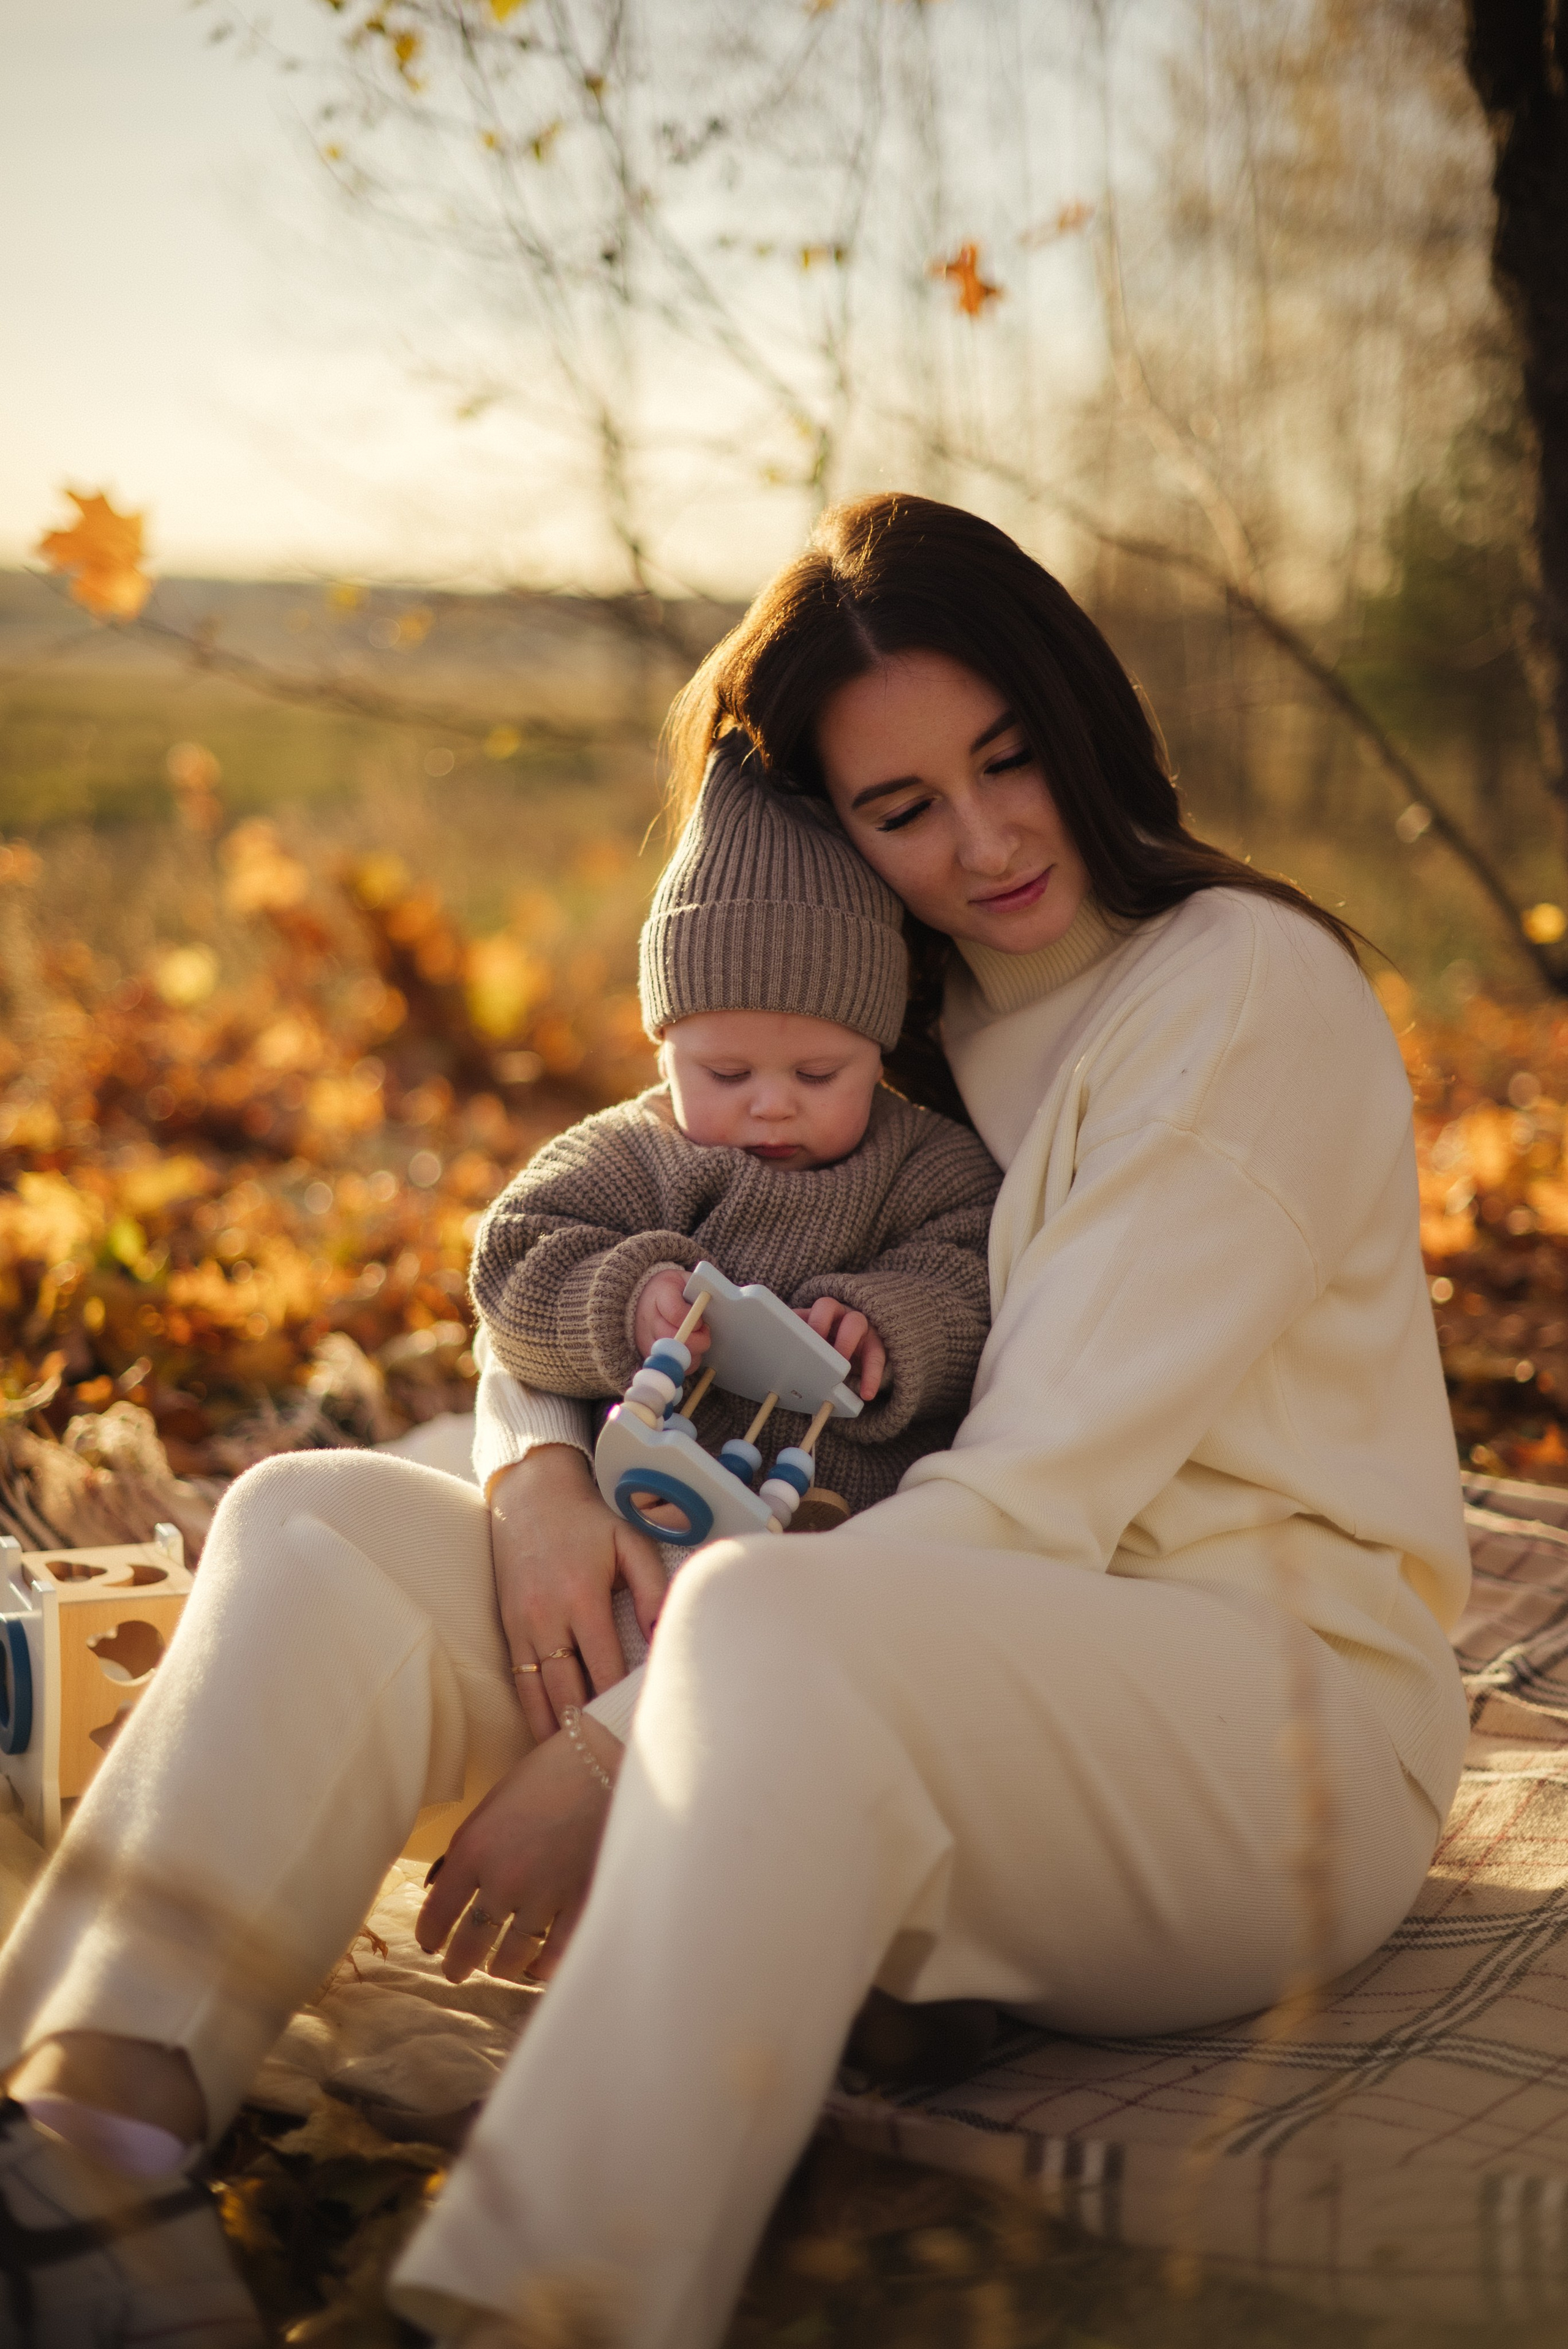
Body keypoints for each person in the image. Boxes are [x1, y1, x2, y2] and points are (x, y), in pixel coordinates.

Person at [0, 493, 1469, 2349]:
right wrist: (534, 1463)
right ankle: (88, 2151)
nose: (984, 837)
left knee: (767, 1623)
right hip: (838, 1648)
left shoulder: (1236, 996)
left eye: (1008, 759)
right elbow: (615, 1231)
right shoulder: (866, 997)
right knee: (308, 1518)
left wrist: (616, 1752)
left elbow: (1029, 1501)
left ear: (1082, 714)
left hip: (1261, 1739)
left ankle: (521, 2309)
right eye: (902, 806)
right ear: (833, 830)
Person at [470, 745, 1001, 1679]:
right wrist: (627, 1301)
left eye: (817, 1074)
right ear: (663, 1044)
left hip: (832, 1566)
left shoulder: (925, 1163)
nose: (771, 1104)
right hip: (632, 1521)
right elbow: (514, 1258)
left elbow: (975, 1274)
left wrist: (889, 1323)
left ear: (878, 1053)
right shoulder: (633, 1152)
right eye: (726, 1073)